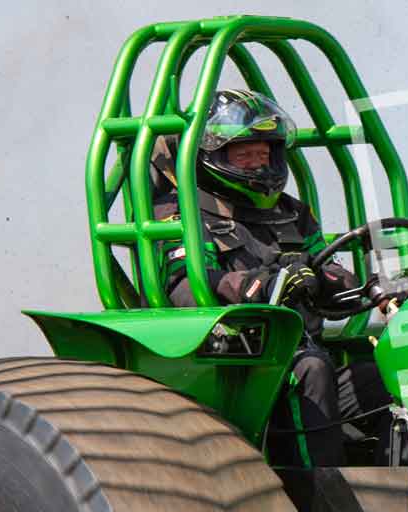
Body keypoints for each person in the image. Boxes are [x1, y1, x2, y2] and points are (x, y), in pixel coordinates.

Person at [154, 89, 390, 469]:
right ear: (211, 156)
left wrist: (366, 288)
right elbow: (184, 288)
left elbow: (327, 269)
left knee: (387, 374)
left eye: (263, 154)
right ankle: (323, 501)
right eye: (244, 155)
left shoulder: (292, 212)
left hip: (302, 350)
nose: (257, 164)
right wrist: (261, 286)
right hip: (237, 362)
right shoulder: (181, 213)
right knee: (311, 370)